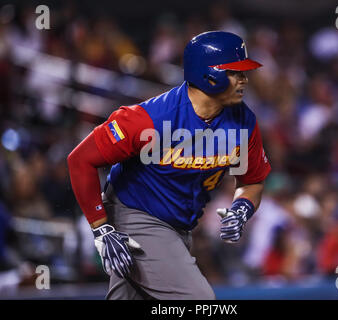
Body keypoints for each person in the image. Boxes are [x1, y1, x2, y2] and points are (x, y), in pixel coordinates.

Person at [67, 31, 271, 300]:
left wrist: (242, 207)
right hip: (136, 215)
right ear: (209, 74)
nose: (244, 79)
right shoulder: (148, 119)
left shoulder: (243, 121)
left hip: (180, 227)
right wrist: (101, 229)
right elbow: (80, 159)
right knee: (199, 301)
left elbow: (251, 180)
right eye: (235, 72)